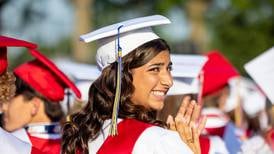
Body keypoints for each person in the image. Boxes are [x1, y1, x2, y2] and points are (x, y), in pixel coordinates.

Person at [62, 15, 206, 154]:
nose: (169, 81)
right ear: (122, 77)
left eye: (169, 68)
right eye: (155, 69)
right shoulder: (158, 140)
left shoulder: (83, 137)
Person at [1, 37, 81, 154]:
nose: (3, 108)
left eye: (10, 98)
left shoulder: (12, 145)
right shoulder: (77, 146)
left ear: (35, 105)